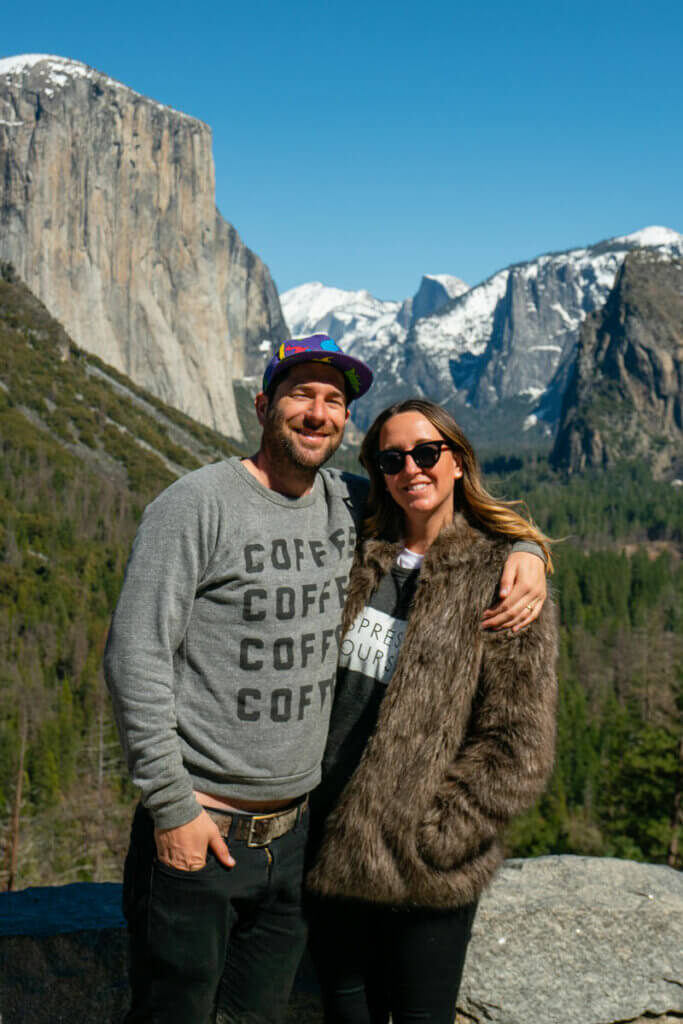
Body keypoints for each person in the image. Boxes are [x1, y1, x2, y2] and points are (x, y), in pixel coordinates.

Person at [104, 337, 549, 1024]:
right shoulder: (200, 505)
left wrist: (525, 549)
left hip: (299, 850)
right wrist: (172, 808)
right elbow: (135, 659)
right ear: (262, 406)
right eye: (300, 395)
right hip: (208, 832)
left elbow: (452, 518)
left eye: (333, 401)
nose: (317, 413)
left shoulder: (347, 503)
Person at [306, 398, 558, 1024]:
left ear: (456, 462)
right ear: (379, 472)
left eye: (427, 453)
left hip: (424, 864)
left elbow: (518, 740)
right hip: (324, 845)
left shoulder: (499, 574)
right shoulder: (352, 552)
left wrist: (441, 836)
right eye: (393, 458)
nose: (411, 469)